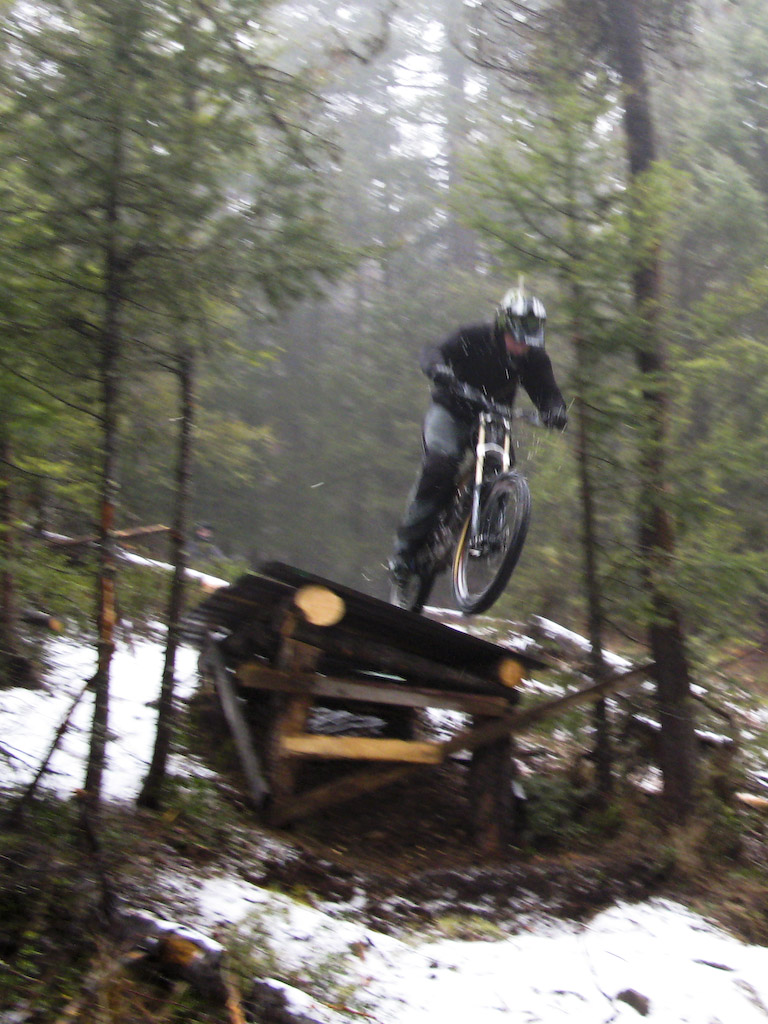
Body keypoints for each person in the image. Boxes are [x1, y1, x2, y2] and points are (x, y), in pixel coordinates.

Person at [389, 287, 568, 584]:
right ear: (502, 326)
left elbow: (547, 392)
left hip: (492, 418)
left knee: (502, 466)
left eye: (528, 341)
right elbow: (433, 351)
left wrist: (555, 412)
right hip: (450, 411)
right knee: (440, 466)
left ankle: (486, 531)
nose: (521, 346)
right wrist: (438, 370)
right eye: (516, 338)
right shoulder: (473, 336)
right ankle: (404, 549)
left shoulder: (533, 357)